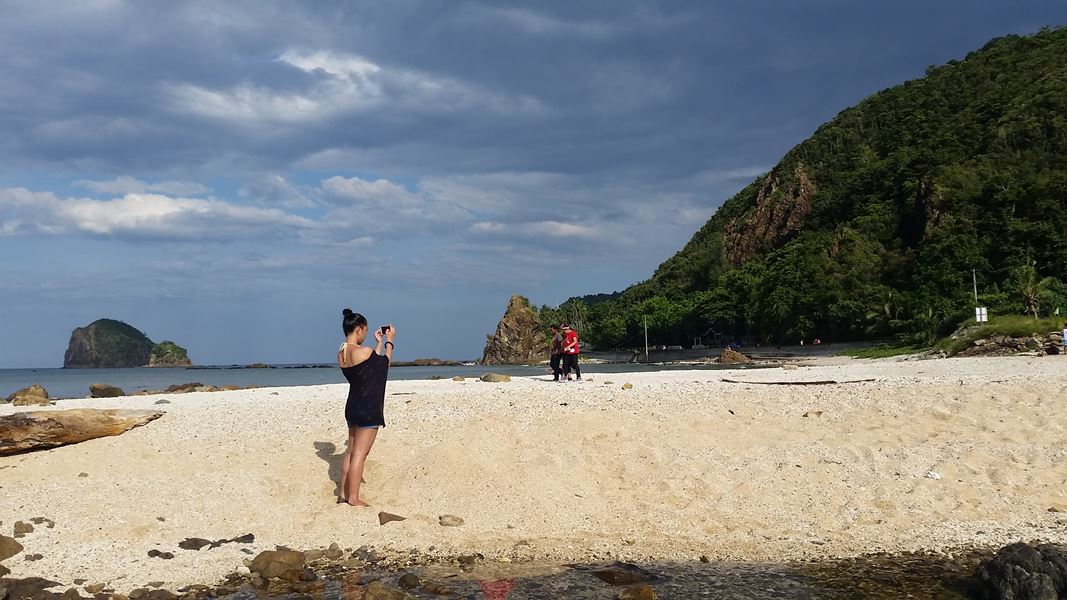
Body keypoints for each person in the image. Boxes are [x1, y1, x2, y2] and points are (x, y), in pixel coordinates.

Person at [337, 308, 395, 507]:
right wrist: (389, 342)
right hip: (368, 407)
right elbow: (383, 366)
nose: (365, 335)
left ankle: (343, 494)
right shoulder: (364, 351)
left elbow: (369, 371)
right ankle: (353, 498)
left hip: (352, 405)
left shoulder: (342, 354)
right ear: (359, 329)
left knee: (351, 452)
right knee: (360, 455)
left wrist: (378, 344)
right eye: (365, 330)